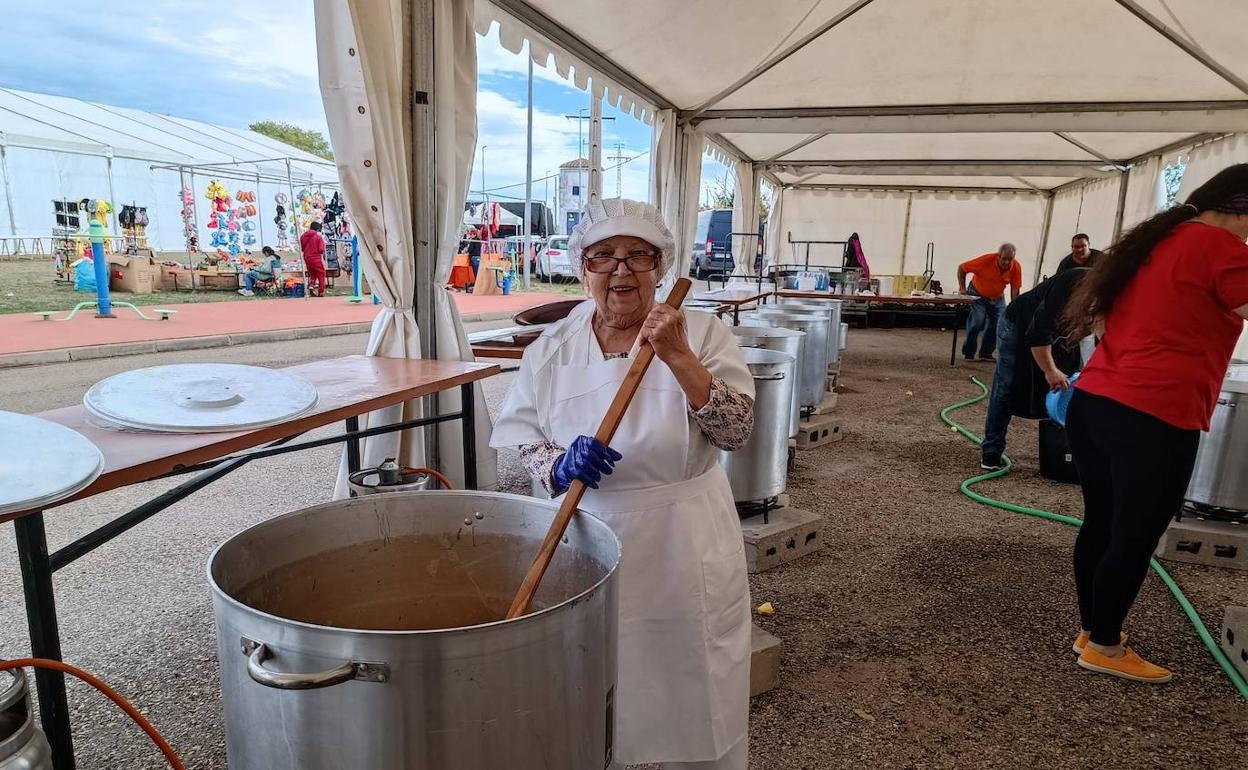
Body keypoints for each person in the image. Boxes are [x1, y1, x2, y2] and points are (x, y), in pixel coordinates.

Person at [492, 198, 755, 770]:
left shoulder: (703, 332)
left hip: (684, 539)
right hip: (588, 536)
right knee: (594, 681)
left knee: (693, 677)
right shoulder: (551, 349)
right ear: (580, 268)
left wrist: (679, 356)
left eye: (639, 256)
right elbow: (523, 439)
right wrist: (559, 467)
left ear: (661, 268)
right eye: (603, 256)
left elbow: (735, 431)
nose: (621, 270)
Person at [1062, 164, 1248, 684]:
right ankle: (1103, 645)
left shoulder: (1153, 242)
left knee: (1102, 521)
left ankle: (1093, 629)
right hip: (1155, 412)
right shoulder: (1223, 250)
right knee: (1135, 533)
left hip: (1096, 399)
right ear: (1239, 209)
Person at [980, 265, 1092, 469]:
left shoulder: (1119, 298)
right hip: (1018, 323)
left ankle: (1058, 456)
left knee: (1069, 388)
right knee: (1007, 385)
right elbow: (1038, 334)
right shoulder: (1071, 284)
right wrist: (1050, 370)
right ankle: (991, 451)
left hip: (1059, 334)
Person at [957, 243, 1022, 361]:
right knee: (977, 322)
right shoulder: (986, 260)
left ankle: (986, 353)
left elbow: (1015, 290)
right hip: (977, 293)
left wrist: (1016, 309)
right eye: (1004, 259)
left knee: (998, 324)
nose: (1007, 262)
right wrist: (962, 289)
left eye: (1010, 259)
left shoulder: (1016, 267)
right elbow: (962, 268)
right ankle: (969, 352)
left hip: (997, 297)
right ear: (998, 256)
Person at [300, 220, 327, 297]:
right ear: (318, 229)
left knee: (312, 273)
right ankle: (321, 291)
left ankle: (311, 287)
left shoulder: (303, 236)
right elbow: (321, 250)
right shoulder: (318, 237)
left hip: (307, 257)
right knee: (321, 274)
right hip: (316, 258)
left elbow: (302, 248)